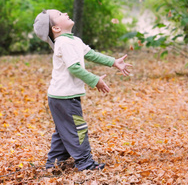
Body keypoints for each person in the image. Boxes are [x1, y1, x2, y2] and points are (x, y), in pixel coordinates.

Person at [33, 9, 132, 171]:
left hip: (61, 97)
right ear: (56, 28)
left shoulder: (73, 40)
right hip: (64, 97)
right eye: (59, 15)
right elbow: (74, 68)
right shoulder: (63, 43)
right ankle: (86, 164)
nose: (64, 13)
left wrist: (114, 62)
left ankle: (53, 164)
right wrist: (95, 81)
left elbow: (92, 55)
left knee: (63, 131)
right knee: (78, 129)